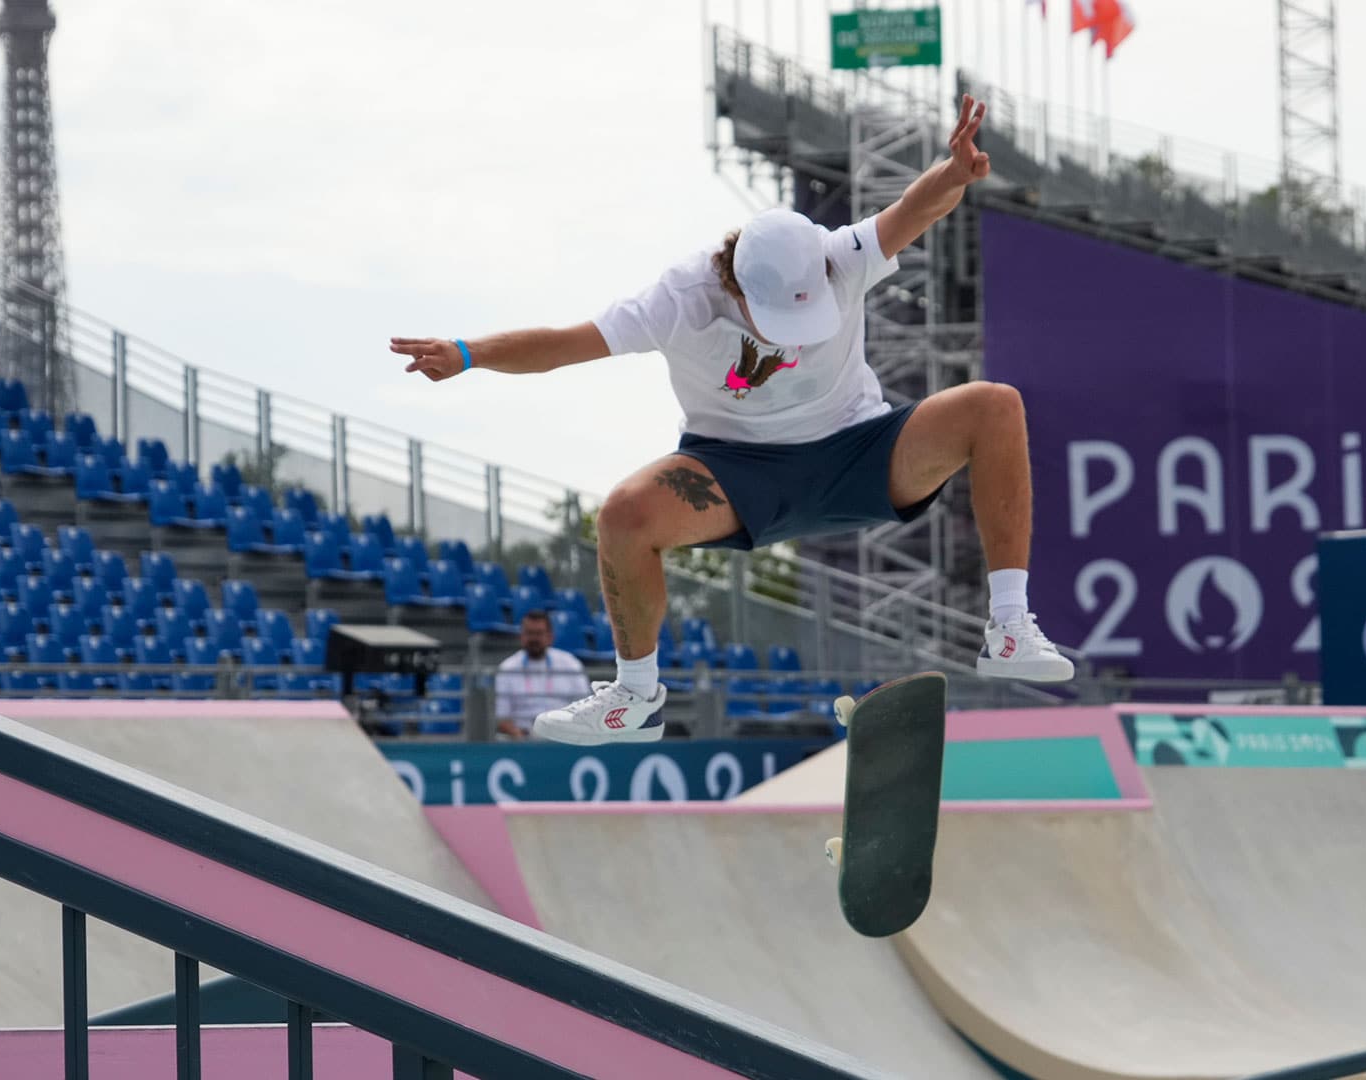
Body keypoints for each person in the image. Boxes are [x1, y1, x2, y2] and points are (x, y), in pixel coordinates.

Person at [392, 94, 1073, 747]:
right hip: (735, 471)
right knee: (624, 515)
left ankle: (1008, 625)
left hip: (860, 451)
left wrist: (955, 172)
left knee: (994, 405)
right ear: (734, 283)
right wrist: (466, 353)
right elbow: (565, 344)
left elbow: (915, 208)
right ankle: (635, 696)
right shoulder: (678, 300)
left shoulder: (837, 256)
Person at [492, 610, 592, 740]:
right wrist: (519, 735)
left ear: (550, 637)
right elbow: (502, 717)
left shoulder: (570, 664)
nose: (534, 639)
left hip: (564, 736)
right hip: (521, 738)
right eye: (529, 633)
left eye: (539, 634)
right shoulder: (507, 668)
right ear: (521, 636)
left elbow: (584, 709)